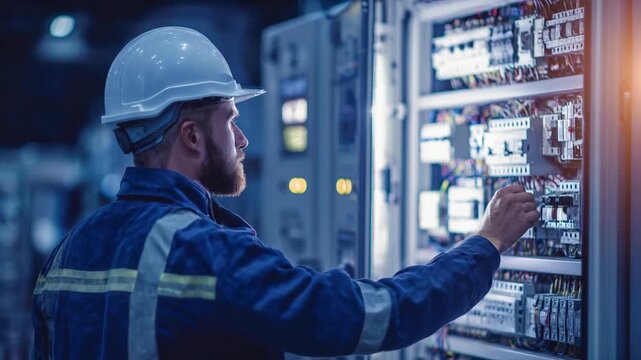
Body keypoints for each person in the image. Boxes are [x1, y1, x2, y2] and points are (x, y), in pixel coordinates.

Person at [31, 27, 539, 359]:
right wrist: (485, 246)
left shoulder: (67, 251)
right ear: (191, 135)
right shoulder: (202, 252)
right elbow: (364, 317)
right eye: (230, 120)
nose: (243, 138)